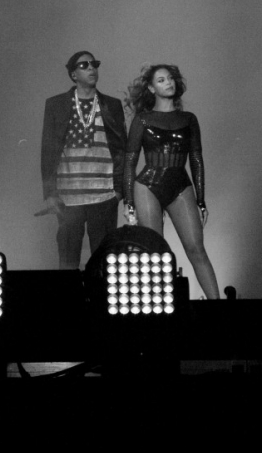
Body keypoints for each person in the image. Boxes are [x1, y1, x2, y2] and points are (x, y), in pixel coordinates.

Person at [118, 63, 220, 300]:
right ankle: (160, 311)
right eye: (162, 80)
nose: (169, 82)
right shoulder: (142, 120)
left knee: (196, 249)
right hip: (148, 187)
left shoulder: (188, 119)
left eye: (171, 78)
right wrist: (129, 202)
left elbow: (196, 159)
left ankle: (220, 309)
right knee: (155, 253)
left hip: (180, 186)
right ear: (151, 88)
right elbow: (130, 162)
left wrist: (201, 200)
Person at [39, 51, 127, 269]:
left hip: (104, 194)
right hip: (68, 196)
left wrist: (119, 190)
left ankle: (99, 302)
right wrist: (50, 193)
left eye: (94, 64)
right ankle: (70, 303)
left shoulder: (112, 105)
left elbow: (121, 148)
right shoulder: (56, 104)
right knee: (68, 258)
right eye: (84, 65)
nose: (91, 68)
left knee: (103, 261)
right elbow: (48, 150)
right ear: (73, 74)